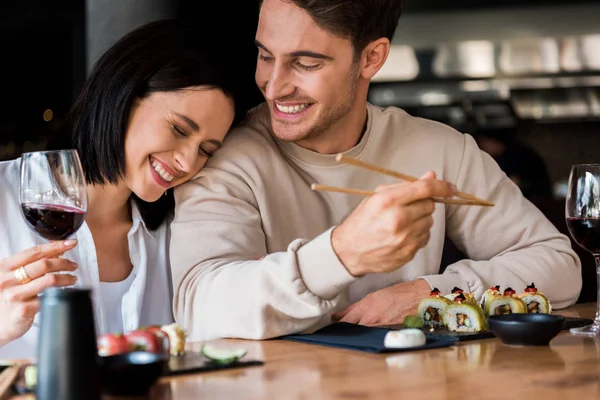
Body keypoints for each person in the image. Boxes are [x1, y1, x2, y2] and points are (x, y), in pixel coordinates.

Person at [170, 0, 582, 341]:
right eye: (264, 55)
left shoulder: (440, 148)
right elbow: (198, 307)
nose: (274, 85)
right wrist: (340, 254)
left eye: (305, 63)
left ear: (372, 58)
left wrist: (427, 292)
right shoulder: (225, 156)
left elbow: (559, 267)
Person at [0, 19, 238, 358]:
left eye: (205, 151)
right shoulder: (4, 198)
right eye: (180, 130)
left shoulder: (179, 233)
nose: (187, 162)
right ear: (123, 95)